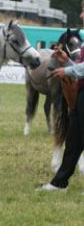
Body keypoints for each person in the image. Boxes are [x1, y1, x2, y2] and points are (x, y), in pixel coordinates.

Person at [38, 47, 84, 191]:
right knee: (73, 141)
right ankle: (59, 183)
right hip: (81, 93)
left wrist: (67, 71)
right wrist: (67, 62)